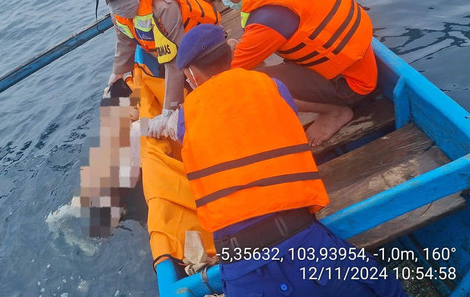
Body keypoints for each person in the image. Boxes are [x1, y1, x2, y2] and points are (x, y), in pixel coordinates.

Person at [174, 24, 407, 297]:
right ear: (230, 54)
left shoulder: (184, 118)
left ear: (191, 74)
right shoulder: (272, 85)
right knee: (388, 291)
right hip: (306, 243)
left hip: (241, 267)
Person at [199, 0, 378, 146]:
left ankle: (334, 112)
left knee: (255, 85)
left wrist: (230, 47)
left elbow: (232, 73)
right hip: (359, 57)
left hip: (351, 85)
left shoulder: (268, 18)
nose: (224, 1)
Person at [97, 0, 220, 138]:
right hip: (167, 48)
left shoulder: (163, 5)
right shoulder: (116, 12)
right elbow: (124, 40)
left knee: (199, 86)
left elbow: (175, 58)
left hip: (204, 41)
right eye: (114, 0)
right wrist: (118, 72)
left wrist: (168, 110)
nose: (121, 4)